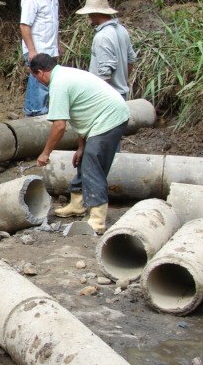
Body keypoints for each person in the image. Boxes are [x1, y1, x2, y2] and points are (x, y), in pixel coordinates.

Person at [31, 53, 129, 234]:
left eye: (36, 78)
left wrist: (45, 153)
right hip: (103, 117)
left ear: (40, 72)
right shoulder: (66, 74)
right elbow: (83, 115)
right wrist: (81, 147)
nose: (38, 81)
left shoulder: (59, 84)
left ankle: (98, 220)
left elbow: (59, 126)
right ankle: (77, 204)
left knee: (93, 164)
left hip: (110, 119)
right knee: (85, 158)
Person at [76, 0, 136, 100]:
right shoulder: (122, 30)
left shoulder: (102, 37)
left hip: (108, 97)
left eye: (90, 14)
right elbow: (131, 59)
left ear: (94, 14)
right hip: (122, 93)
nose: (89, 17)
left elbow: (105, 74)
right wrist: (123, 81)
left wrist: (102, 100)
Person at [20, 0, 60, 116]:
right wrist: (31, 51)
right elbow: (24, 26)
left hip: (50, 48)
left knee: (46, 83)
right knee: (38, 83)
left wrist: (57, 46)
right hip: (37, 49)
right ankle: (34, 114)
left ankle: (39, 114)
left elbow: (54, 23)